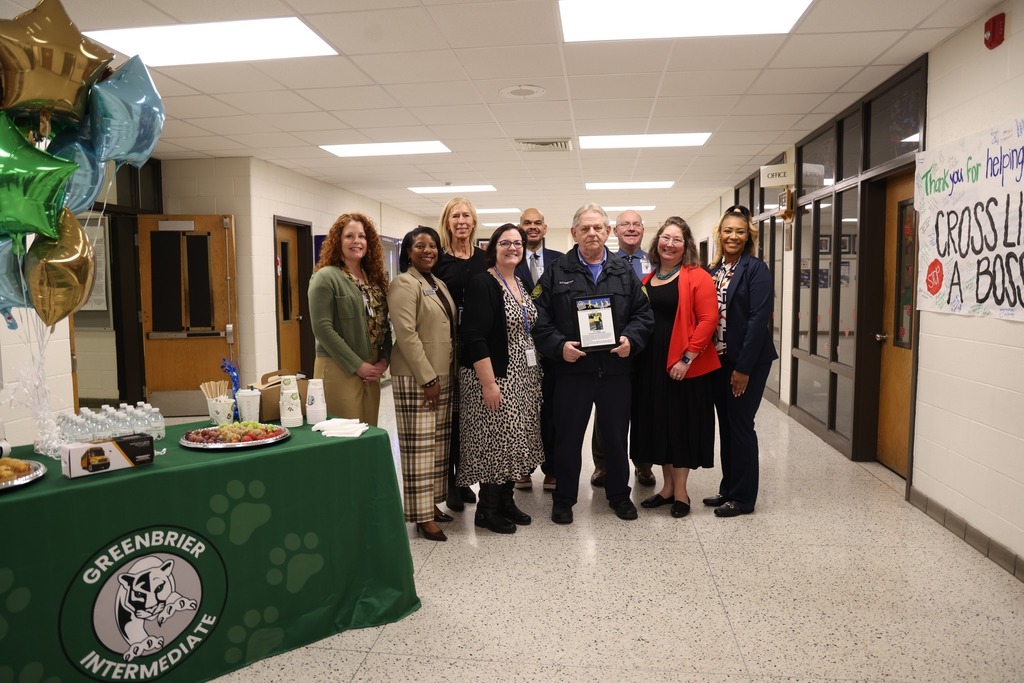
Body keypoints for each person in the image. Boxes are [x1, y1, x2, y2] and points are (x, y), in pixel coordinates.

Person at [533, 203, 654, 525]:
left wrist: (631, 339)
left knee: (615, 438)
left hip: (615, 371)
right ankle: (564, 499)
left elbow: (643, 314)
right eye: (585, 228)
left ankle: (618, 496)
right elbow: (539, 320)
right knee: (568, 439)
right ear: (574, 233)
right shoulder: (557, 272)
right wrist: (560, 346)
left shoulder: (623, 272)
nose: (592, 233)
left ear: (608, 232)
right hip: (573, 371)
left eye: (598, 227)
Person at [632, 217, 720, 518]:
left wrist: (687, 358)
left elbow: (709, 320)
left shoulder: (697, 276)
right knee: (662, 426)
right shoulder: (649, 278)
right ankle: (667, 489)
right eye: (665, 238)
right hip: (652, 365)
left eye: (677, 239)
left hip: (684, 365)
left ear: (687, 245)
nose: (669, 244)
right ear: (657, 242)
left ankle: (681, 493)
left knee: (681, 427)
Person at [458, 224, 544, 534]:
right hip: (495, 375)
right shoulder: (484, 283)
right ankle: (487, 509)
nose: (512, 248)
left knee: (514, 440)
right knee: (494, 440)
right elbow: (473, 335)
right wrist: (489, 383)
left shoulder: (519, 281)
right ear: (493, 248)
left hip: (522, 376)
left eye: (518, 243)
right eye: (505, 243)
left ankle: (506, 501)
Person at [703, 205, 778, 518]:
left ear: (749, 236)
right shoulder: (715, 269)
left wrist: (743, 369)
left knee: (742, 426)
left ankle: (744, 498)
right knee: (728, 426)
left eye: (740, 231)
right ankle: (729, 487)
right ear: (720, 234)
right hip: (719, 361)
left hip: (747, 363)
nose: (733, 236)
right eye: (728, 230)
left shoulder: (756, 269)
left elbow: (758, 319)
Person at [388, 227, 458, 541]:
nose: (427, 250)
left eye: (432, 245)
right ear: (408, 252)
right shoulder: (404, 283)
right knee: (419, 448)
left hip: (442, 373)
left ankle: (430, 504)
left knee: (437, 446)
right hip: (418, 376)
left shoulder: (437, 283)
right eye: (420, 245)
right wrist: (427, 378)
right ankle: (421, 516)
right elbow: (406, 334)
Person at [591, 209, 656, 488]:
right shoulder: (604, 262)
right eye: (624, 225)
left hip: (646, 344)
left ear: (643, 229)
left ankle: (644, 464)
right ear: (613, 231)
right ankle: (602, 465)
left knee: (644, 406)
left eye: (636, 224)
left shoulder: (655, 261)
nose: (631, 228)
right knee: (606, 408)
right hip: (610, 348)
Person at [308, 212, 390, 425]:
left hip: (371, 369)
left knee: (368, 430)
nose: (357, 241)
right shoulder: (325, 277)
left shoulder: (374, 279)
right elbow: (322, 328)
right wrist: (357, 365)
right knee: (343, 432)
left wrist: (384, 359)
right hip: (339, 366)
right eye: (349, 236)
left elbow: (385, 322)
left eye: (362, 236)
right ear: (338, 241)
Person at [432, 197, 487, 512]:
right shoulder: (438, 260)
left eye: (467, 215)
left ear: (473, 221)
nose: (462, 221)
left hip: (477, 345)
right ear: (447, 222)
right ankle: (451, 481)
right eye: (456, 216)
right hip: (447, 345)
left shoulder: (484, 258)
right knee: (451, 413)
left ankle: (465, 477)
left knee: (470, 413)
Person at [512, 207, 563, 492]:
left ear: (545, 228)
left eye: (537, 223)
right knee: (524, 410)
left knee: (553, 409)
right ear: (520, 227)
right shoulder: (508, 259)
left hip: (554, 348)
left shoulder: (560, 260)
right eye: (527, 223)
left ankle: (552, 468)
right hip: (520, 349)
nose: (532, 227)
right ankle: (523, 467)